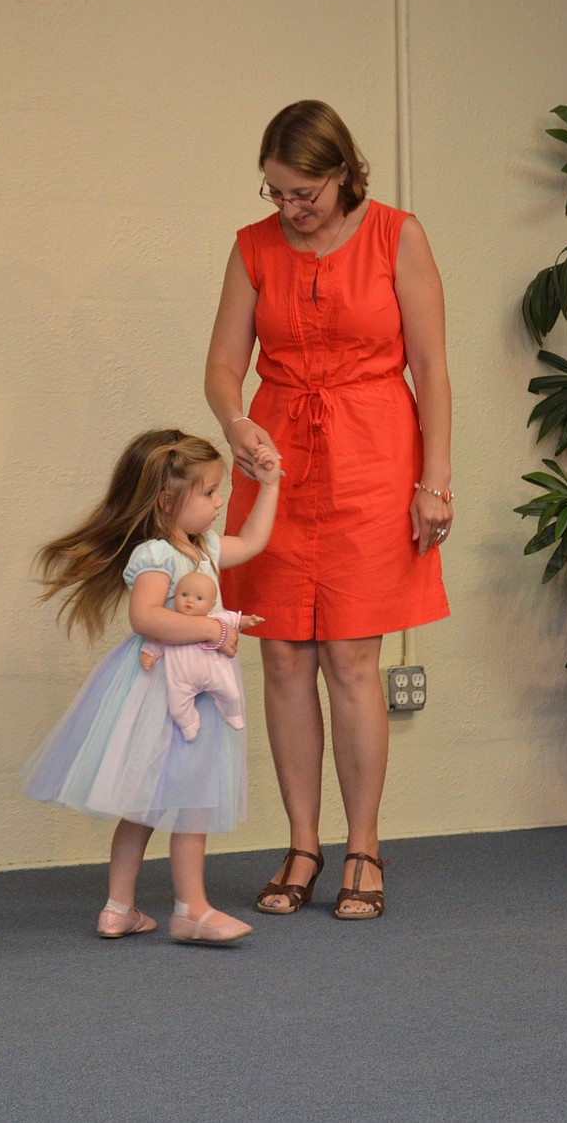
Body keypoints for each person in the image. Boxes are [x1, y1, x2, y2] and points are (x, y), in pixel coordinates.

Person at [205, 100, 451, 920]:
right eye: (276, 192)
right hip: (276, 462)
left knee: (351, 655)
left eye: (303, 193)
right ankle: (303, 843)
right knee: (280, 655)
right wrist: (235, 423)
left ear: (343, 172)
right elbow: (223, 364)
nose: (290, 207)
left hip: (373, 458)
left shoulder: (397, 236)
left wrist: (436, 479)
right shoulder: (253, 247)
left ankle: (364, 845)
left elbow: (430, 367)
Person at [22, 428, 280, 945]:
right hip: (164, 688)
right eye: (209, 493)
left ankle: (120, 909)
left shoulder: (204, 548)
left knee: (155, 803)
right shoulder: (158, 556)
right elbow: (146, 618)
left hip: (195, 687)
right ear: (167, 500)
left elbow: (253, 541)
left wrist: (271, 485)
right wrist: (212, 629)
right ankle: (190, 910)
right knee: (184, 801)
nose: (219, 502)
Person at [139, 570, 264, 741]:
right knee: (177, 707)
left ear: (211, 605)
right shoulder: (171, 625)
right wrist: (147, 654)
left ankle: (232, 714)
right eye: (184, 595)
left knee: (231, 694)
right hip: (181, 679)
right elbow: (156, 640)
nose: (190, 601)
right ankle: (189, 725)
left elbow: (234, 619)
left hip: (215, 674)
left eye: (198, 598)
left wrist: (248, 621)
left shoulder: (216, 619)